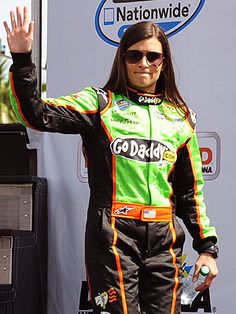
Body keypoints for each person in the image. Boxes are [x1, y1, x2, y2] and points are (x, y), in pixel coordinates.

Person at [4, 7, 218, 314]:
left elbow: (190, 193)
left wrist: (207, 249)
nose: (144, 63)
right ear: (123, 60)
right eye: (134, 56)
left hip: (164, 239)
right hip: (114, 234)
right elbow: (35, 114)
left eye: (152, 56)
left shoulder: (181, 119)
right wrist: (23, 60)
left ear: (164, 62)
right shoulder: (100, 104)